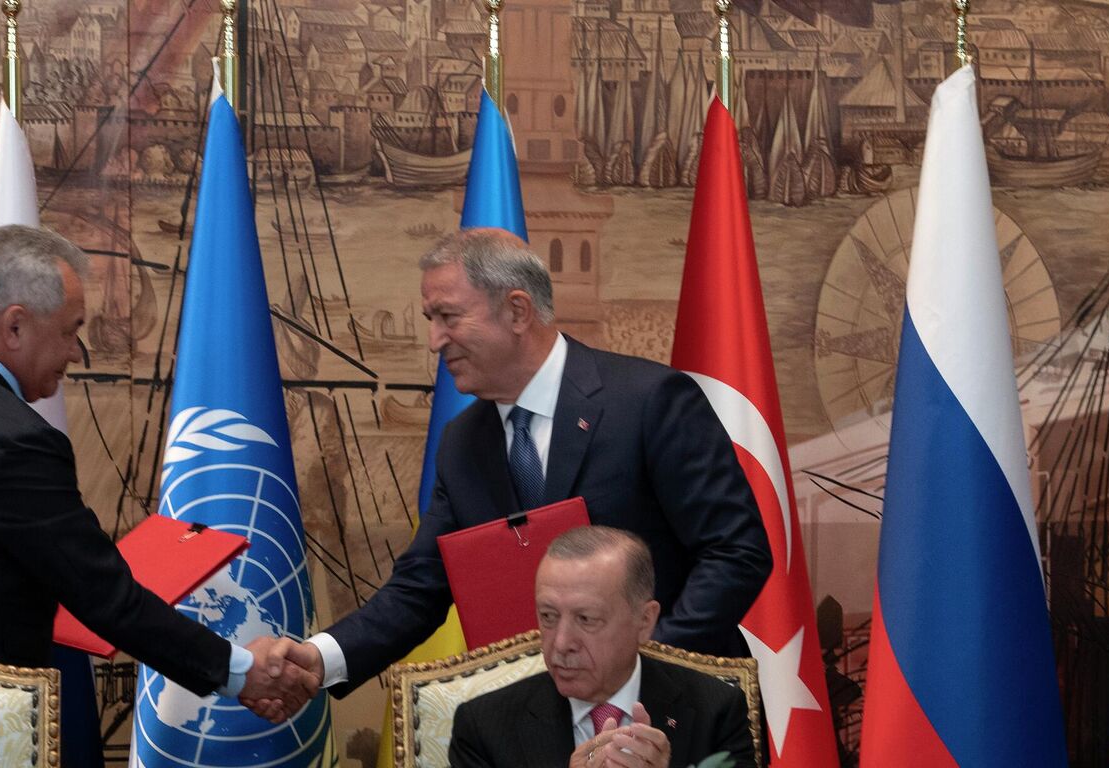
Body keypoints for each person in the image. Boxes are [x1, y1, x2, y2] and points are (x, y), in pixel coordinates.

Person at [262, 228, 771, 698]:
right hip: (539, 723)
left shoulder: (648, 400)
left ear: (517, 311)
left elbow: (735, 551)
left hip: (677, 711)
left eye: (448, 317)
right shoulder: (463, 443)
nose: (435, 340)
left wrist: (643, 669)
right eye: (430, 320)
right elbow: (420, 586)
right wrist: (319, 657)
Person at [0, 225, 310, 720]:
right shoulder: (12, 438)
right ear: (15, 326)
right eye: (69, 330)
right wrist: (239, 670)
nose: (76, 353)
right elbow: (106, 599)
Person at [449, 527, 754, 768]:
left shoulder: (715, 711)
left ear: (645, 621)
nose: (561, 642)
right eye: (548, 617)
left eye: (586, 619)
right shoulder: (484, 727)